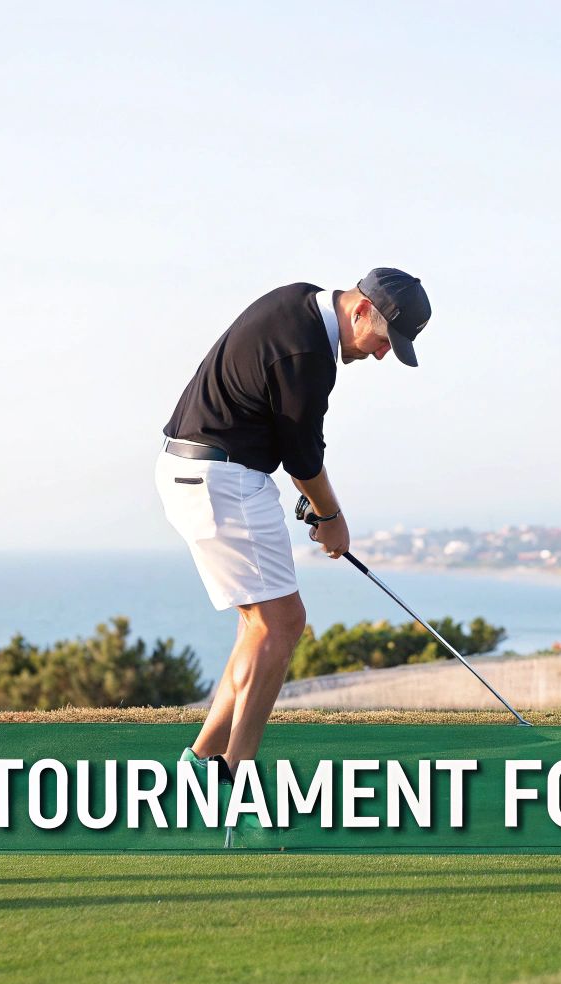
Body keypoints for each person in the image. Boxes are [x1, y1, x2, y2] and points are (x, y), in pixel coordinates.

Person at [157, 269, 430, 841]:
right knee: (284, 625)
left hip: (197, 470)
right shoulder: (309, 353)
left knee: (260, 627)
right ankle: (237, 788)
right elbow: (303, 457)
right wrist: (331, 519)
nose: (382, 356)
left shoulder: (296, 302)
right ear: (360, 312)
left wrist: (314, 501)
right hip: (221, 478)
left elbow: (282, 434)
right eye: (384, 341)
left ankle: (199, 765)